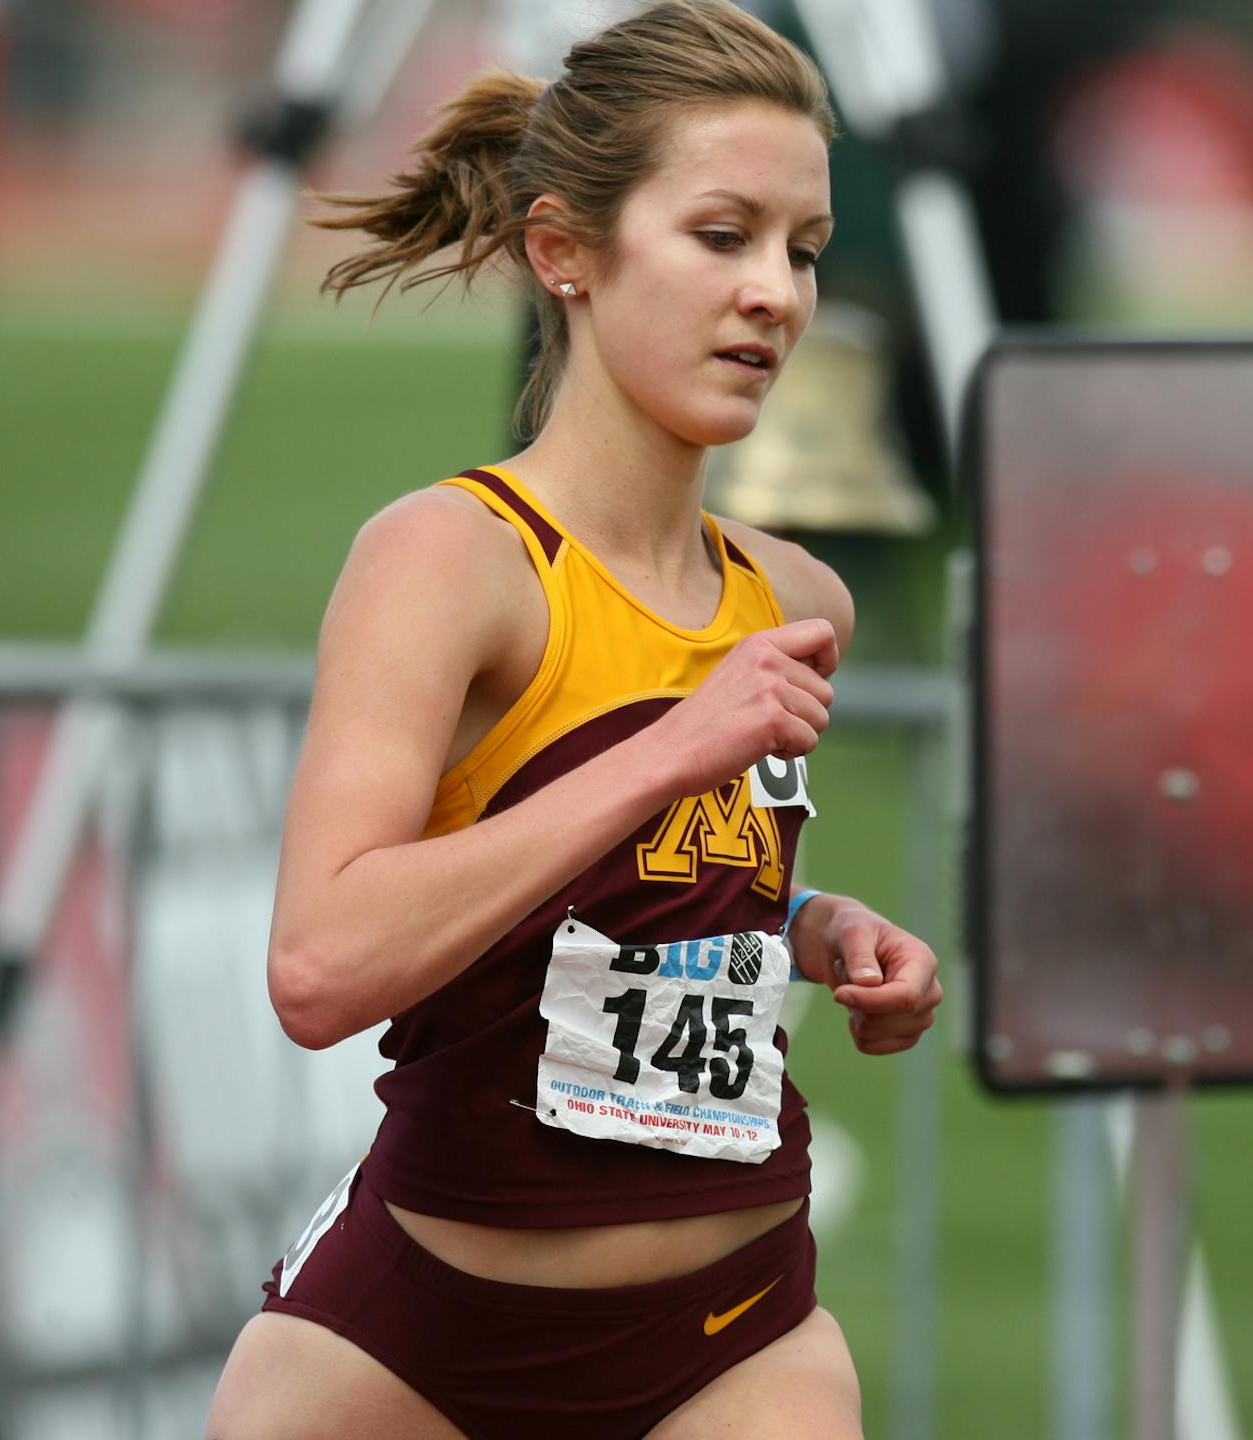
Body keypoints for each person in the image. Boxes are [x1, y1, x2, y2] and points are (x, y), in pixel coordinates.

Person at [204, 5, 943, 1436]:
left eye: (802, 249)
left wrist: (815, 931)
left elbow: (642, 899)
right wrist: (675, 738)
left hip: (732, 1334)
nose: (775, 295)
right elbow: (321, 966)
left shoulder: (796, 599)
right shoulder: (448, 559)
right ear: (566, 253)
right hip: (420, 1336)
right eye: (721, 236)